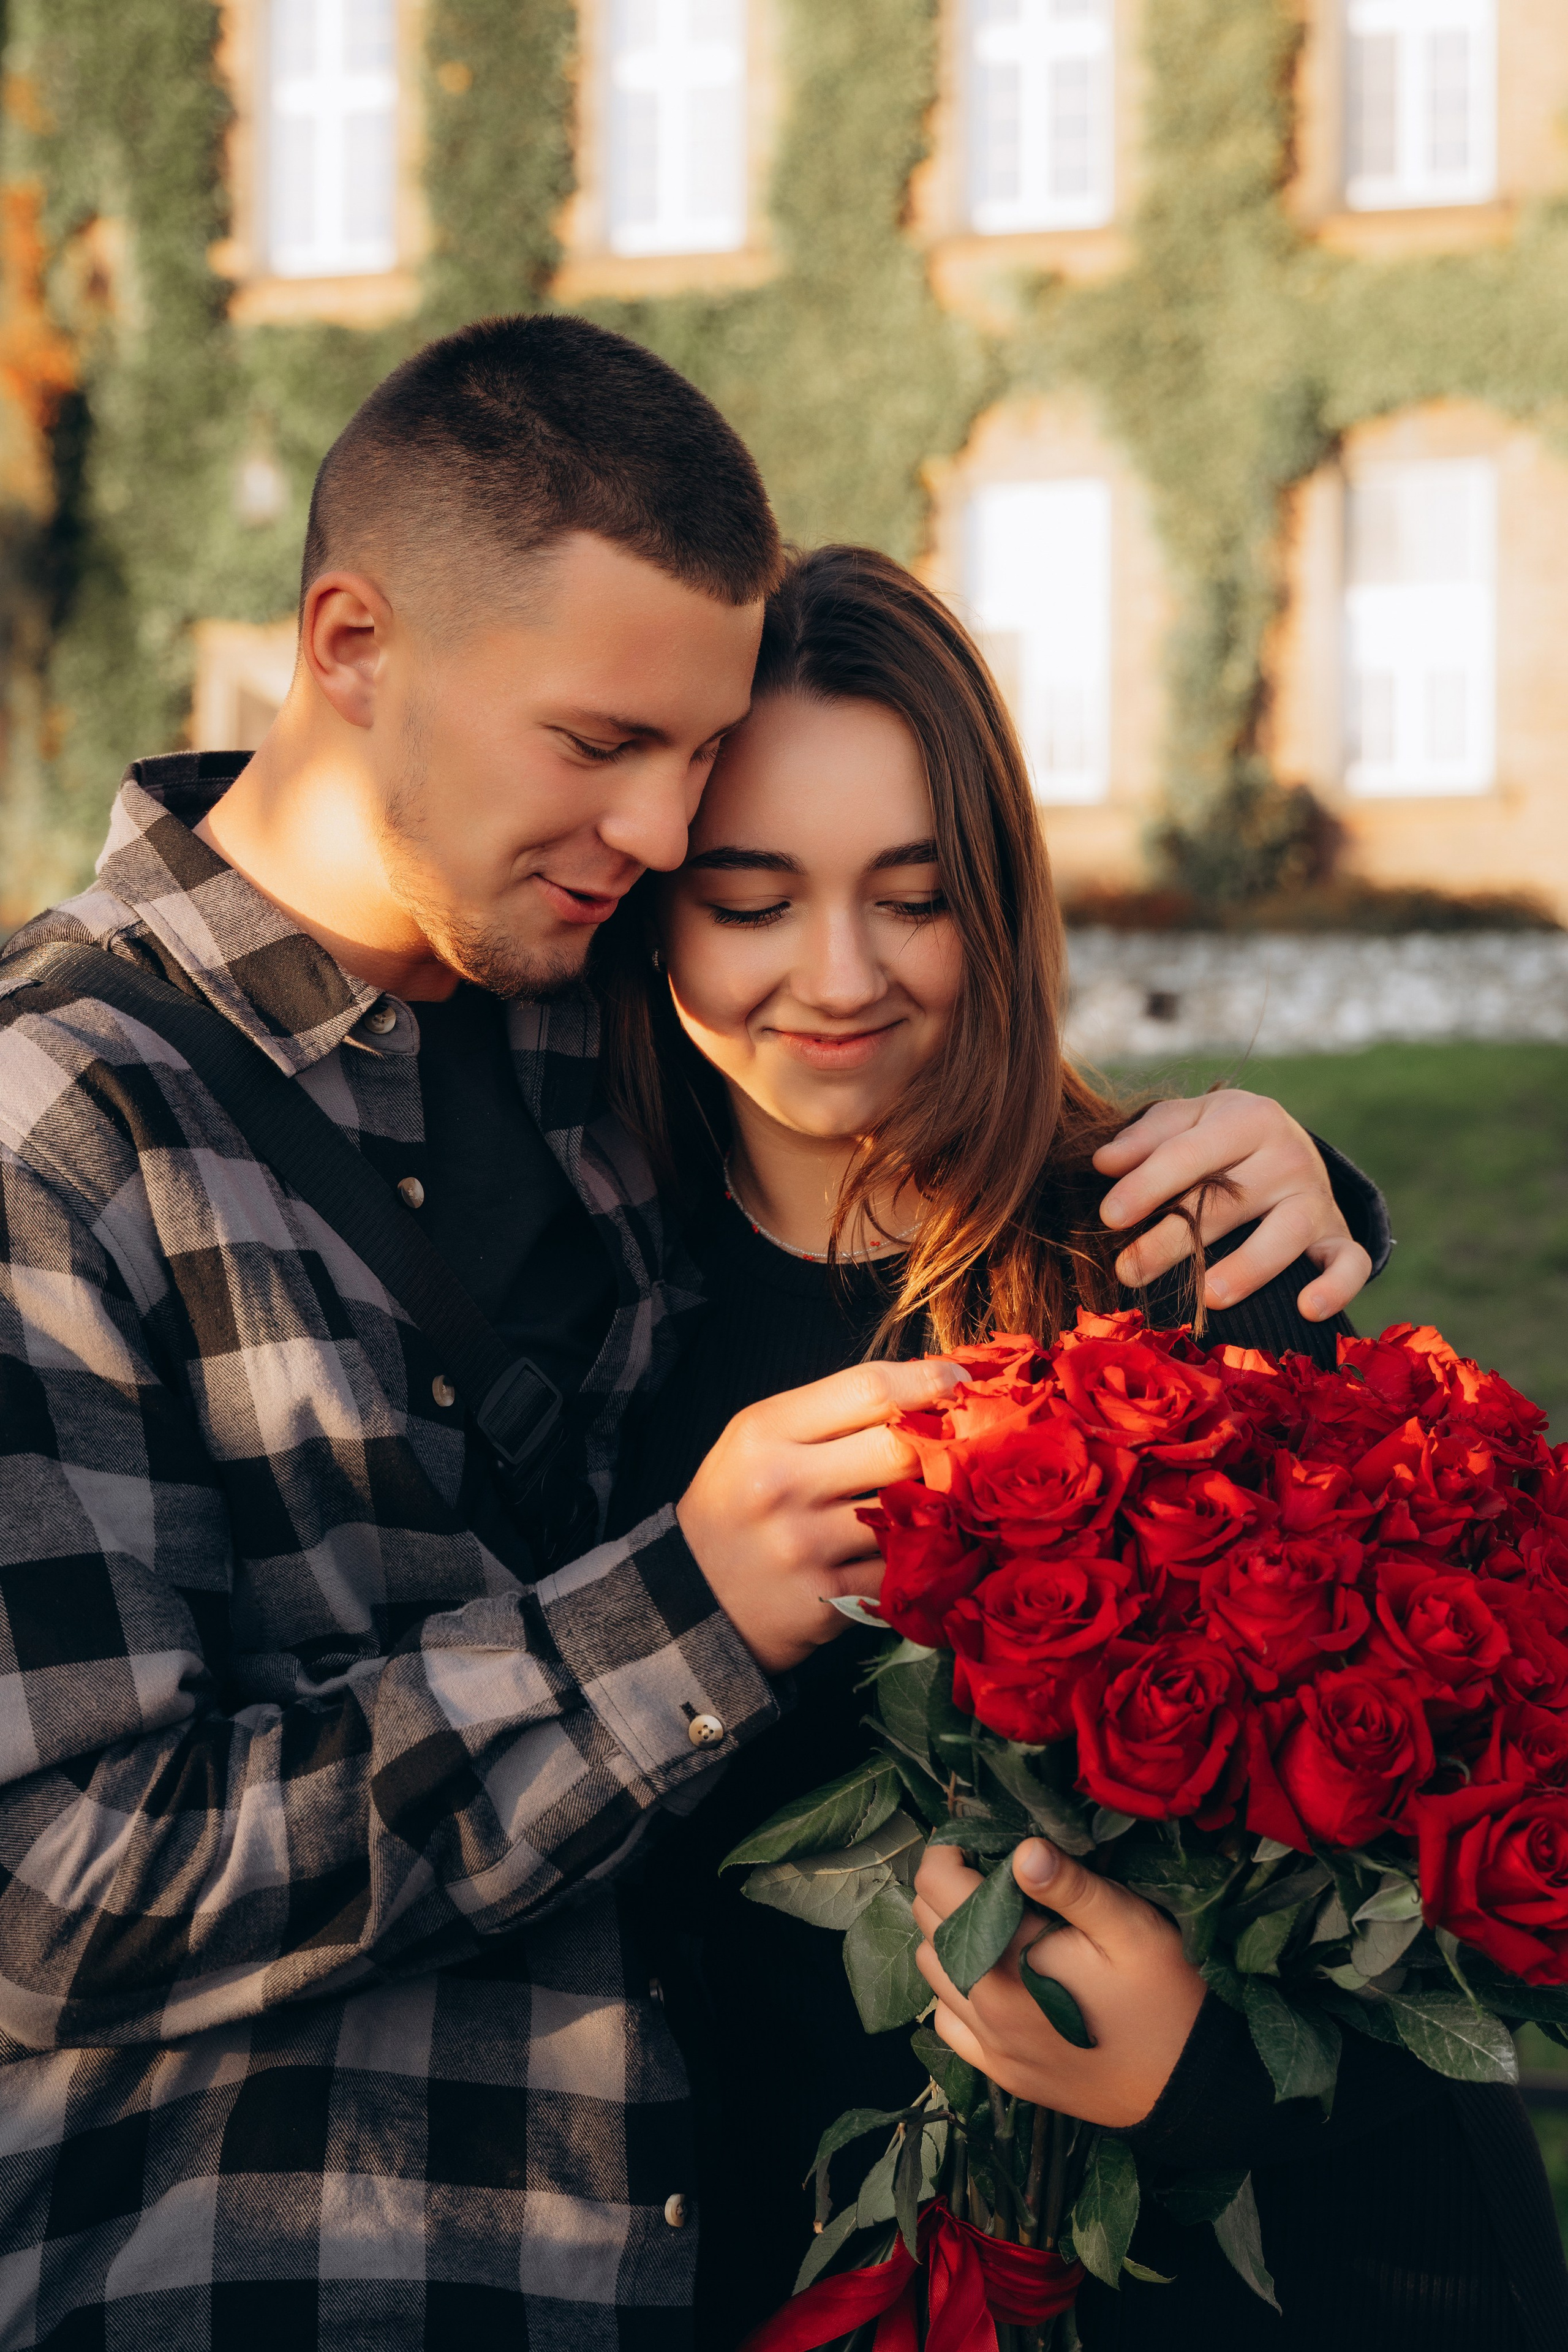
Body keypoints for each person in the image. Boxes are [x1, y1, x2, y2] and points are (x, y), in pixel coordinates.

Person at [0, 315, 1382, 2352]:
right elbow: (53, 1895)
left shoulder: (571, 989)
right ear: (352, 641)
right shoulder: (62, 1129)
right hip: (281, 2276)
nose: (657, 838)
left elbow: (885, 1113)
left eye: (685, 766)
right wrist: (692, 1612)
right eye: (596, 745)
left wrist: (1267, 1199)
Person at [600, 545, 1567, 2352]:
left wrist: (1204, 2075)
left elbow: (1429, 1960)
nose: (837, 975)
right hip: (738, 2264)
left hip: (1175, 2278)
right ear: (654, 900)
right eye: (751, 898)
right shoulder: (580, 1307)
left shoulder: (1186, 1270)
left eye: (913, 895)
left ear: (1001, 896)